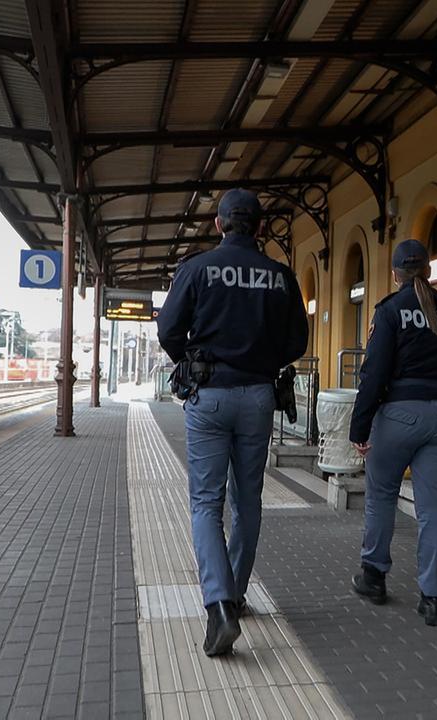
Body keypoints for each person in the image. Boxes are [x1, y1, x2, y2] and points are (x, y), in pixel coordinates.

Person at [156, 188, 309, 656]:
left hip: (209, 396)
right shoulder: (280, 276)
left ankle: (218, 604)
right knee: (248, 501)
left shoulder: (197, 269)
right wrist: (261, 362)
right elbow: (297, 341)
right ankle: (236, 595)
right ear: (260, 228)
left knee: (206, 503)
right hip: (259, 397)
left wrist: (193, 360)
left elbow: (167, 329)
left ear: (219, 224)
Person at [348, 239, 437, 626]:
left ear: (395, 274)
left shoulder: (390, 311)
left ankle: (374, 577)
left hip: (401, 415)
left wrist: (360, 426)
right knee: (433, 507)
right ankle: (433, 598)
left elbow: (374, 373)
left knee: (382, 495)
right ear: (429, 271)